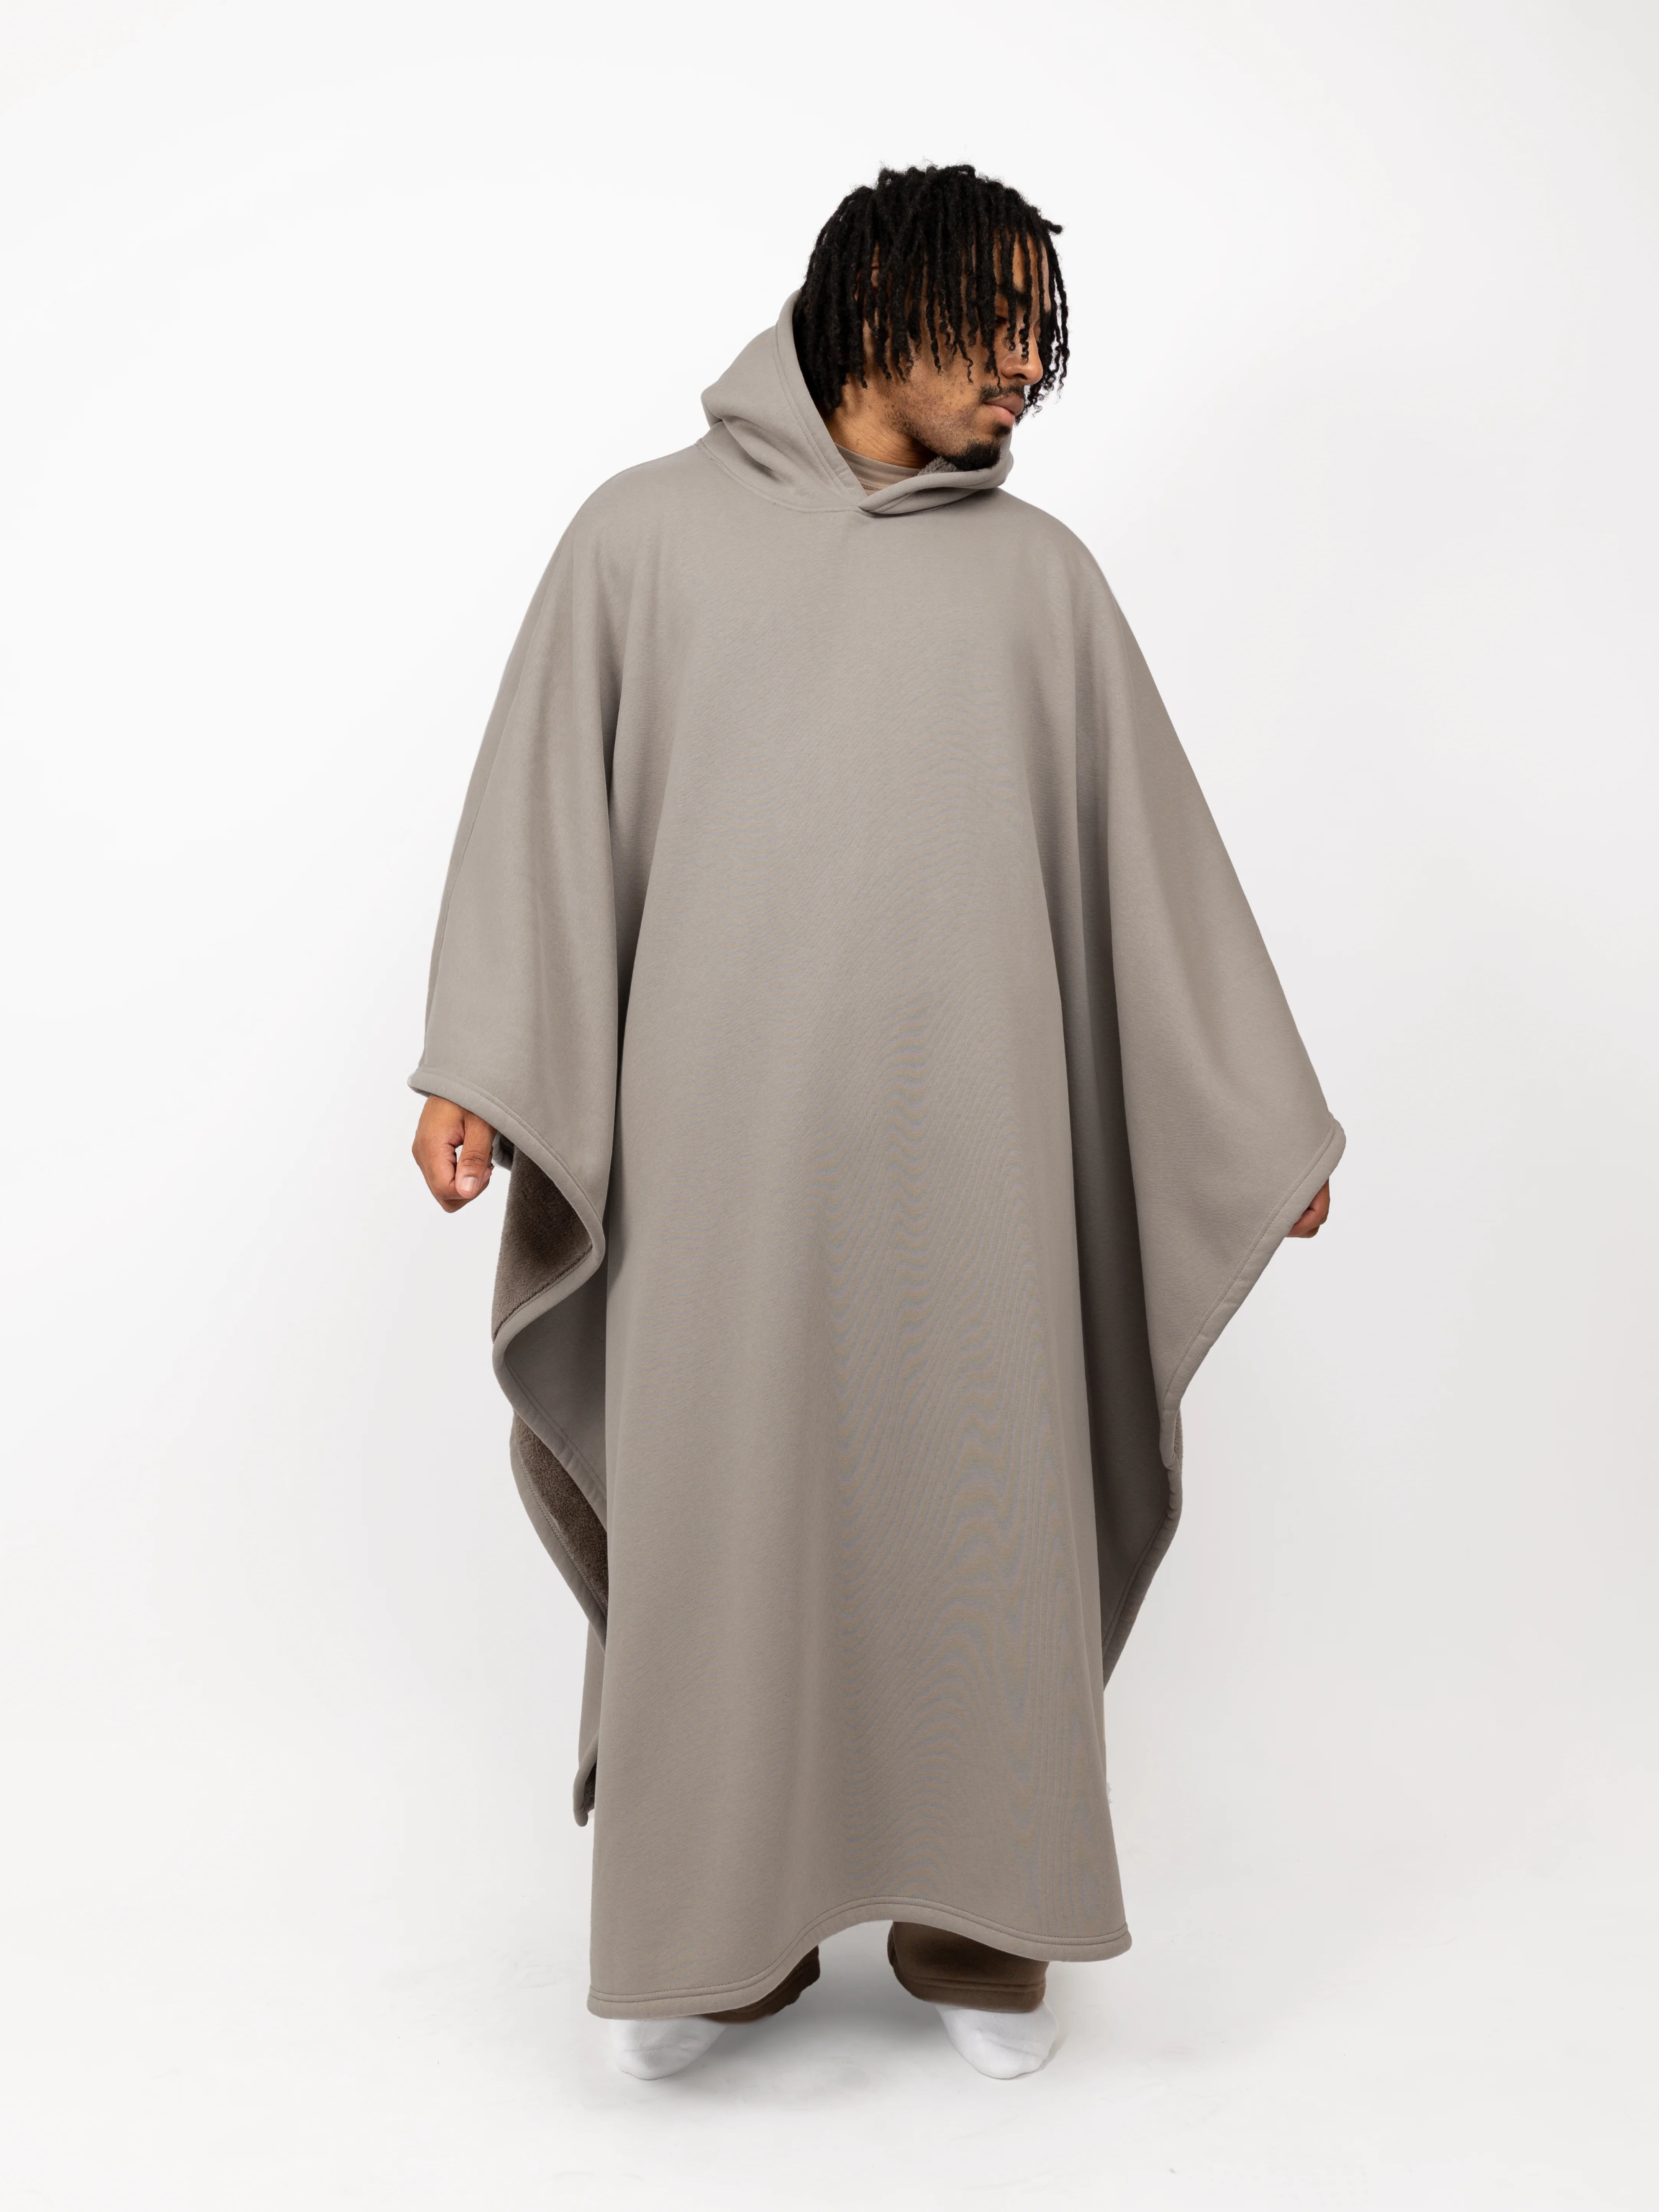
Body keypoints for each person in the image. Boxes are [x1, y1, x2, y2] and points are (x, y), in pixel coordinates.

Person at [410, 164, 1340, 2082]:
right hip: (719, 1176)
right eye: (993, 325)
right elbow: (542, 811)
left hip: (979, 1168)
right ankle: (714, 1939)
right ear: (869, 303)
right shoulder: (641, 541)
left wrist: (1257, 1119)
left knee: (979, 1525)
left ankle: (980, 1932)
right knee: (722, 1532)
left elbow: (1153, 870)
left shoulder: (1041, 584)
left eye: (1042, 339)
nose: (1025, 369)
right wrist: (480, 1069)